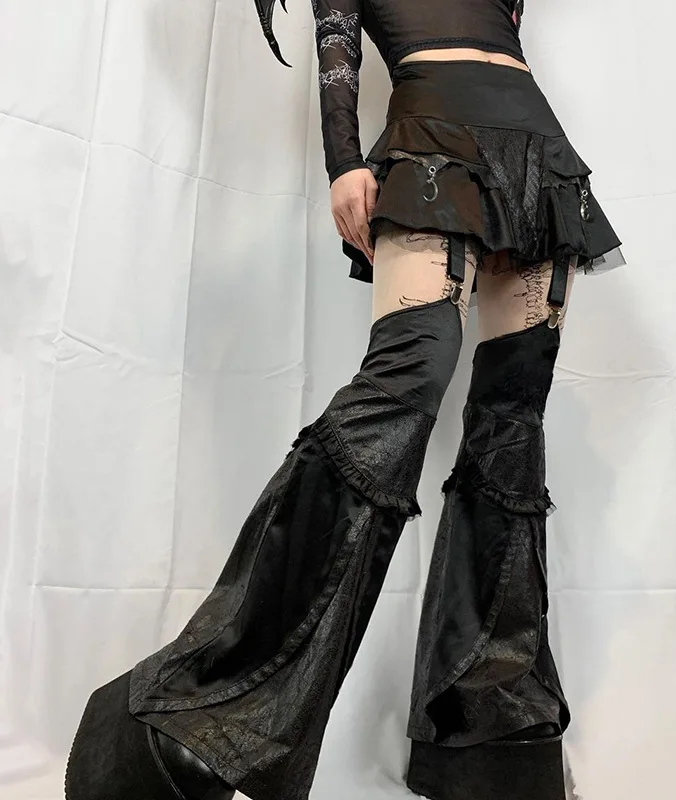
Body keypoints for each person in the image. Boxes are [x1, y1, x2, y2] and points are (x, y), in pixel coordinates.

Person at [65, 1, 626, 799]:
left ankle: (488, 731)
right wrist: (343, 162)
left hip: (541, 158)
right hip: (432, 141)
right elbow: (339, 48)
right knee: (403, 385)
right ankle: (201, 705)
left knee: (512, 423)